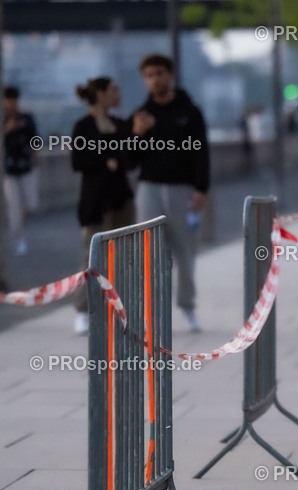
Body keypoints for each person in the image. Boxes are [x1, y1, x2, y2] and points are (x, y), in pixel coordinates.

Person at [129, 54, 210, 333]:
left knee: (186, 252)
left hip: (182, 189)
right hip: (149, 189)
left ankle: (187, 306)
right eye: (149, 75)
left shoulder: (190, 112)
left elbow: (201, 152)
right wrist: (137, 134)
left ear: (170, 75)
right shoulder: (141, 115)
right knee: (147, 253)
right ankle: (150, 312)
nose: (155, 80)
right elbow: (130, 162)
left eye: (159, 73)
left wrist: (201, 188)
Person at [70, 78, 136, 334]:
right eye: (113, 90)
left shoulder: (121, 124)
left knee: (123, 257)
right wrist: (104, 159)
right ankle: (82, 310)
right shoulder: (83, 126)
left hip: (121, 198)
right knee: (91, 257)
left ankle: (120, 309)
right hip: (95, 201)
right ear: (100, 94)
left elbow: (130, 158)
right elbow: (78, 161)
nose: (117, 94)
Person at [3, 86, 40, 256]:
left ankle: (21, 228)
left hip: (27, 167)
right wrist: (6, 130)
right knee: (14, 208)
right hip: (8, 171)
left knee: (32, 204)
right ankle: (18, 240)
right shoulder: (3, 121)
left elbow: (35, 139)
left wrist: (36, 155)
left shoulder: (26, 118)